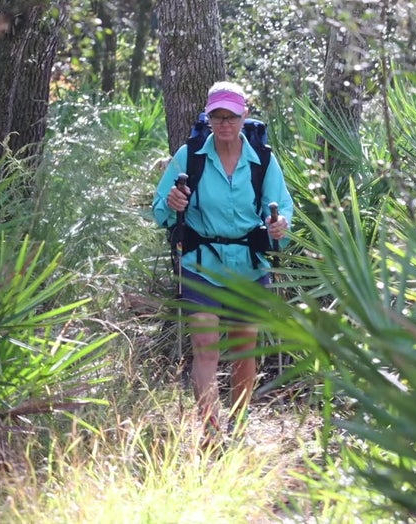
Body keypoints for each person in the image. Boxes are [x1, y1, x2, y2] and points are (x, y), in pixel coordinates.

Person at [152, 81, 293, 445]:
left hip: (249, 266)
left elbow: (282, 210)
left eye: (231, 116)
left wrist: (280, 225)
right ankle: (211, 433)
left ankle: (240, 424)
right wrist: (172, 204)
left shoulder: (263, 158)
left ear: (244, 117)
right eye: (217, 116)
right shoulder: (190, 156)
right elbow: (159, 210)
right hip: (202, 264)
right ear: (208, 117)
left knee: (245, 350)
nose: (225, 123)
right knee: (205, 344)